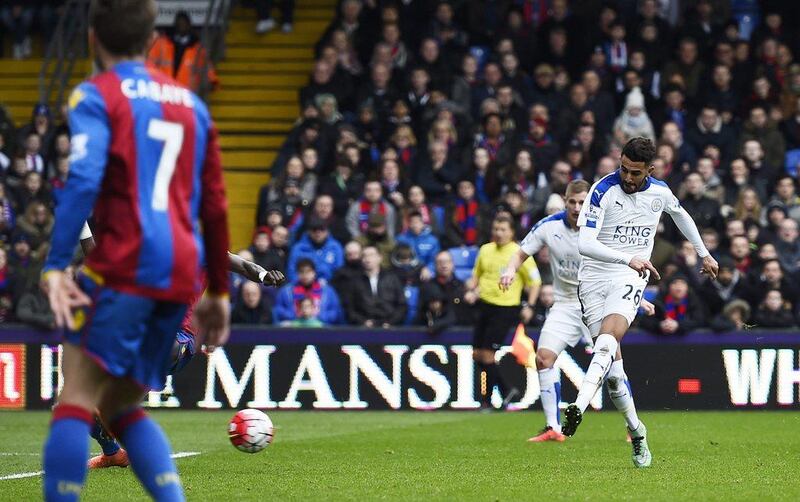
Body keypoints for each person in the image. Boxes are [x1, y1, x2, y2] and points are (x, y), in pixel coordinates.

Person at [40, 3, 230, 499]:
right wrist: (220, 294)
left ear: (91, 39)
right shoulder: (192, 105)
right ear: (151, 43)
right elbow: (214, 204)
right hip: (178, 272)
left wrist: (58, 262)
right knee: (122, 405)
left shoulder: (96, 95)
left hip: (124, 262)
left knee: (75, 396)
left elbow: (82, 179)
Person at [565, 137, 718, 468]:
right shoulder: (602, 190)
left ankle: (577, 404)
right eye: (623, 169)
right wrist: (627, 257)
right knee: (614, 375)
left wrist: (703, 253)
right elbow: (585, 244)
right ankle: (637, 431)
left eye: (635, 172)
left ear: (650, 169)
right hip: (592, 280)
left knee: (606, 343)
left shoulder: (660, 192)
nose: (627, 177)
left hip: (630, 277)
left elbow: (682, 216)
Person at [501, 180, 655, 442]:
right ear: (565, 201)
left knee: (613, 366)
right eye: (572, 202)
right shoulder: (549, 227)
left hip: (598, 303)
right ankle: (553, 428)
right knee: (543, 358)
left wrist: (635, 298)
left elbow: (622, 265)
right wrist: (509, 269)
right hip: (565, 304)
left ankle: (632, 425)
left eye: (582, 202)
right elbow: (520, 252)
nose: (576, 207)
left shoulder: (604, 227)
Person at [466, 214, 541, 410]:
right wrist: (470, 290)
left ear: (511, 232)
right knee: (477, 354)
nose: (498, 233)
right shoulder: (485, 249)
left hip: (506, 307)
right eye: (496, 229)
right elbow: (477, 275)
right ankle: (507, 390)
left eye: (502, 230)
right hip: (484, 305)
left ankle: (487, 400)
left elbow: (535, 282)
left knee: (488, 355)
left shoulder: (519, 253)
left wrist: (530, 306)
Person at [147, 10, 218, 92]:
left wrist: (212, 81)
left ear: (189, 25)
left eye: (184, 24)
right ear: (175, 25)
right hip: (164, 91)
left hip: (187, 93)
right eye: (179, 24)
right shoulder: (162, 43)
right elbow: (149, 63)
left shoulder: (198, 48)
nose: (181, 26)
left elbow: (207, 68)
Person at [344, 245, 407, 327]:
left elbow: (402, 305)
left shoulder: (392, 278)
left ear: (380, 257)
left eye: (371, 255)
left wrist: (391, 322)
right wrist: (363, 322)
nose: (367, 259)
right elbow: (349, 308)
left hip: (390, 327)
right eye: (364, 256)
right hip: (364, 328)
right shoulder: (354, 281)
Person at [273, 258, 342, 325]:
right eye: (301, 272)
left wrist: (319, 316)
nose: (305, 275)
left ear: (314, 273)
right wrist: (293, 315)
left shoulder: (327, 291)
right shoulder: (286, 291)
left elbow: (336, 312)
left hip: (320, 329)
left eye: (308, 271)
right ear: (297, 274)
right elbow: (277, 310)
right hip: (294, 328)